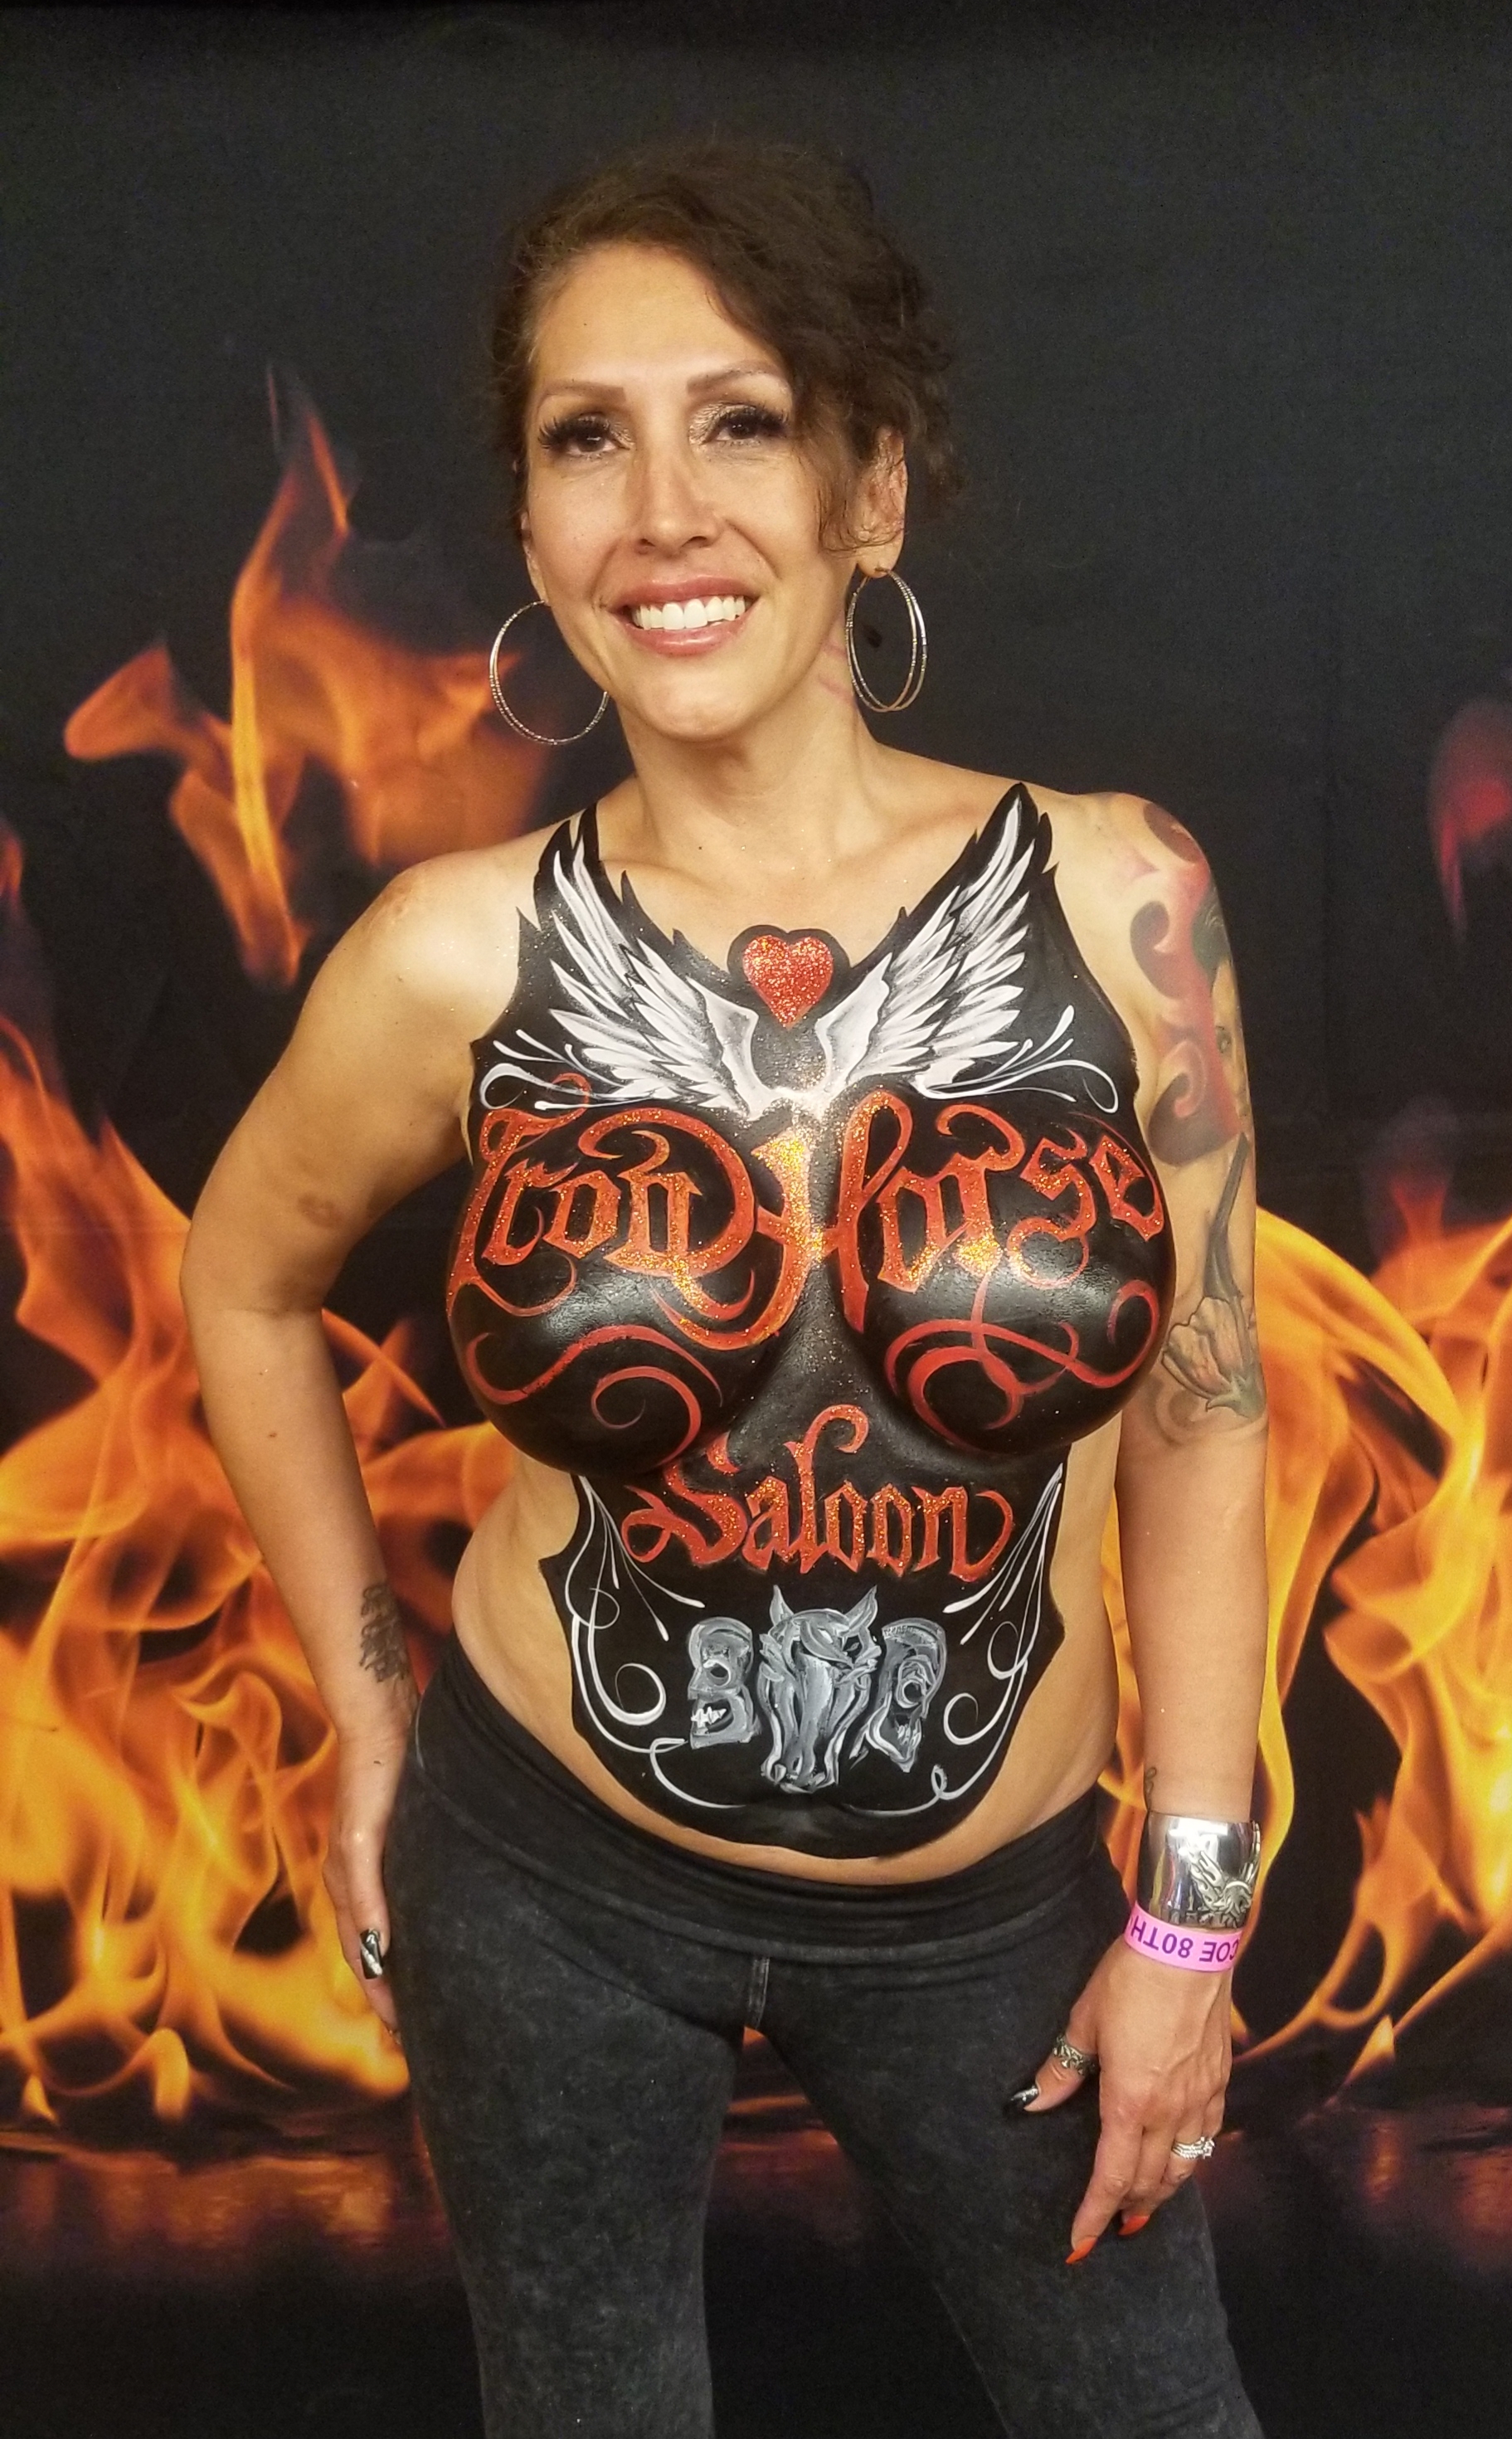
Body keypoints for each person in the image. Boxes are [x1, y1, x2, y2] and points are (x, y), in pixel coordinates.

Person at [181, 139, 1268, 2439]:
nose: (661, 506)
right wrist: (368, 1714)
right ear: (538, 525)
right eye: (589, 437)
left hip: (997, 1922)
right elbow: (245, 1275)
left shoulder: (1116, 897)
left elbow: (1196, 1401)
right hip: (546, 1890)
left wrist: (1188, 1909)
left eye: (741, 420)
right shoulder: (452, 955)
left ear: (872, 489)